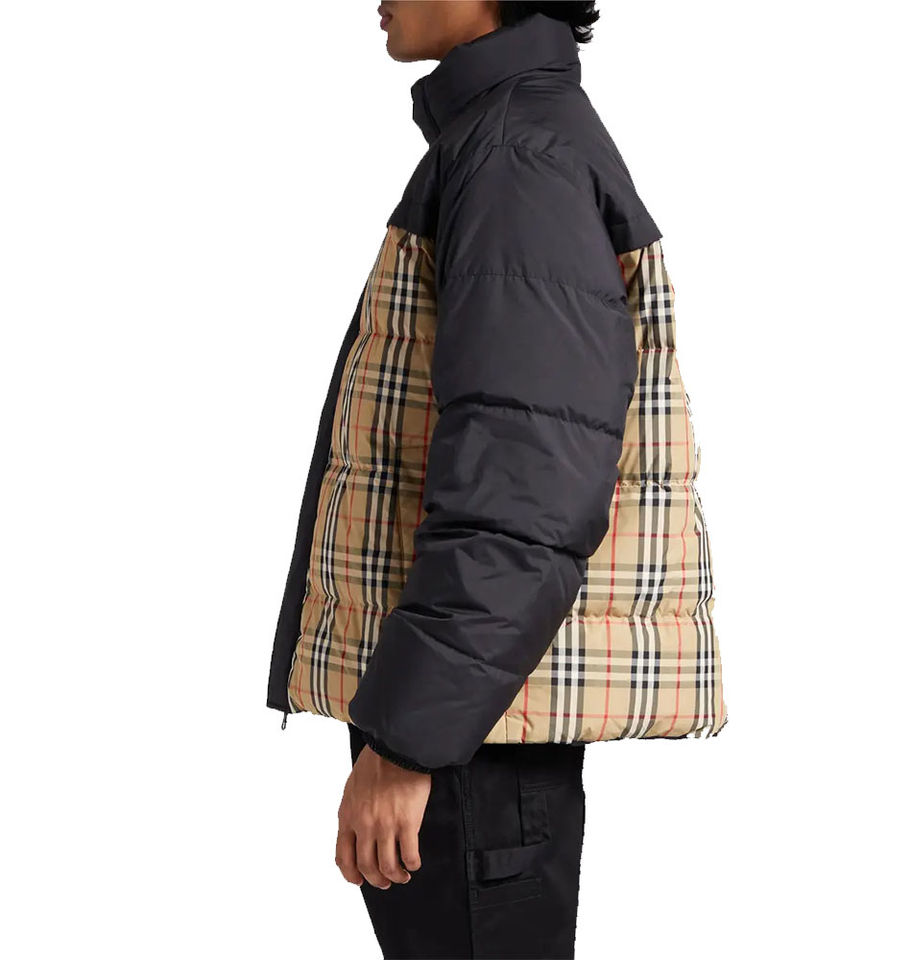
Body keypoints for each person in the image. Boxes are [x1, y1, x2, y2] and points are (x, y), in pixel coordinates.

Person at [266, 3, 727, 957]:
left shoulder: (518, 155)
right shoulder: (508, 138)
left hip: (469, 734)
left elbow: (524, 486)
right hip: (477, 714)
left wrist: (409, 741)